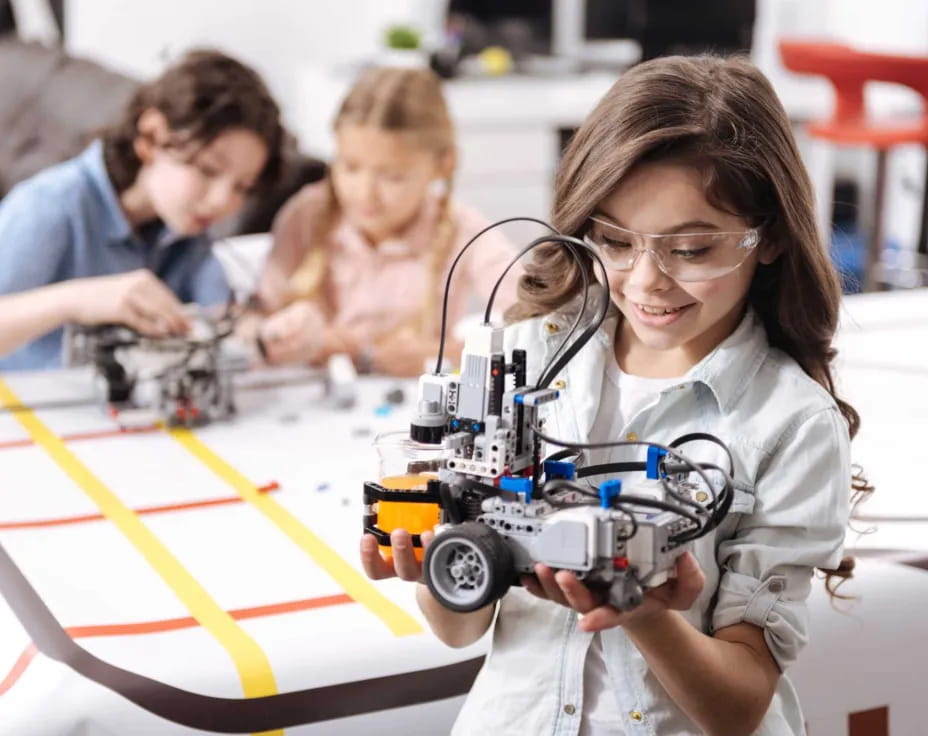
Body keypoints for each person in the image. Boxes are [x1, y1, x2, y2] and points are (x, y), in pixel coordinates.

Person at [361, 54, 870, 735]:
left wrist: (643, 609)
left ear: (770, 237)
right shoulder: (528, 356)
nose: (646, 283)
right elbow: (461, 631)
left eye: (691, 249)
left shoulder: (789, 424)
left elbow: (739, 706)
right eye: (613, 241)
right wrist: (438, 562)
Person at [0, 49, 284, 370]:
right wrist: (76, 300)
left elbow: (222, 314)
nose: (222, 201)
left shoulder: (184, 228)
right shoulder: (50, 207)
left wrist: (270, 333)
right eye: (207, 170)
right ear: (151, 137)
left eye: (242, 187)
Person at [249, 66, 519, 376]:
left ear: (443, 164)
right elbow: (253, 319)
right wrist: (273, 332)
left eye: (393, 177)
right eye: (350, 167)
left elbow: (535, 322)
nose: (365, 194)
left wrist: (450, 352)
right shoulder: (305, 215)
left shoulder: (465, 232)